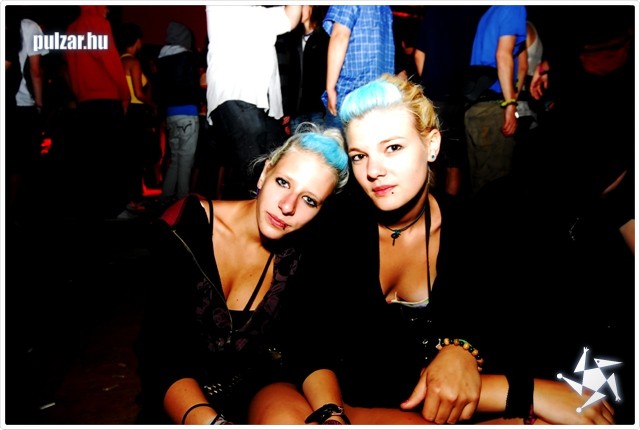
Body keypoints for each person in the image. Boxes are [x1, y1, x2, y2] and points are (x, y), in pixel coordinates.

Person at [248, 74, 616, 426]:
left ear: (432, 145)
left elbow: (532, 333)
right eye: (359, 156)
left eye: (393, 147)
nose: (374, 170)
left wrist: (466, 350)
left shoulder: (478, 230)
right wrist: (523, 392)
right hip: (340, 407)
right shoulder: (334, 229)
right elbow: (311, 347)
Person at [134, 123, 350, 425]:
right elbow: (161, 356)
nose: (287, 206)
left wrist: (333, 416)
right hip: (181, 408)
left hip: (256, 401)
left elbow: (310, 349)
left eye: (309, 200)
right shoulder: (184, 230)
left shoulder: (302, 255)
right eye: (283, 183)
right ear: (265, 173)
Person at [206, 5, 302, 200]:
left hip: (262, 106)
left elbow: (291, 18)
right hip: (235, 95)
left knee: (276, 163)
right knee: (253, 172)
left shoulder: (261, 13)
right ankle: (240, 216)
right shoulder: (223, 8)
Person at [413, 5, 487, 199]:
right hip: (459, 95)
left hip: (434, 96)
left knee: (430, 157)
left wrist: (428, 82)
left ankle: (431, 207)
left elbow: (419, 54)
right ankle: (451, 210)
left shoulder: (434, 11)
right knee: (455, 162)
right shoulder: (471, 12)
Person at [64, 5, 131, 219]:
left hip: (85, 102)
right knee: (112, 159)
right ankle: (115, 209)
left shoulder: (71, 28)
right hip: (107, 100)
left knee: (90, 159)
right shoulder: (98, 23)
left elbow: (70, 67)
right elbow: (111, 62)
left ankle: (93, 209)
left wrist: (79, 94)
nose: (108, 10)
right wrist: (125, 94)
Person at [463, 5, 527, 195]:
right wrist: (510, 103)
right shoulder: (513, 7)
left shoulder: (490, 12)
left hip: (475, 107)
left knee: (479, 183)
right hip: (493, 107)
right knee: (497, 186)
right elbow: (503, 54)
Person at [322, 5, 395, 132]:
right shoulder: (386, 8)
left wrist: (330, 87)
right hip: (380, 96)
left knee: (335, 142)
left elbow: (340, 35)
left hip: (350, 93)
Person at [155, 21, 200, 206]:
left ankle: (165, 195)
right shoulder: (187, 57)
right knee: (186, 159)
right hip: (188, 113)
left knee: (175, 159)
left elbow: (159, 91)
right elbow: (193, 86)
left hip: (171, 115)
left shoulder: (162, 60)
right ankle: (182, 201)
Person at [116, 22, 157, 216]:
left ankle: (127, 198)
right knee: (137, 156)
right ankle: (134, 198)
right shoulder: (133, 62)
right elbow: (139, 94)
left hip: (122, 110)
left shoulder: (117, 61)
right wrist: (153, 105)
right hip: (136, 111)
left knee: (126, 156)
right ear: (137, 41)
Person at [277, 5, 329, 133]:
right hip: (296, 113)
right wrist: (287, 111)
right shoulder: (291, 39)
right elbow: (287, 78)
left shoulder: (325, 37)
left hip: (319, 111)